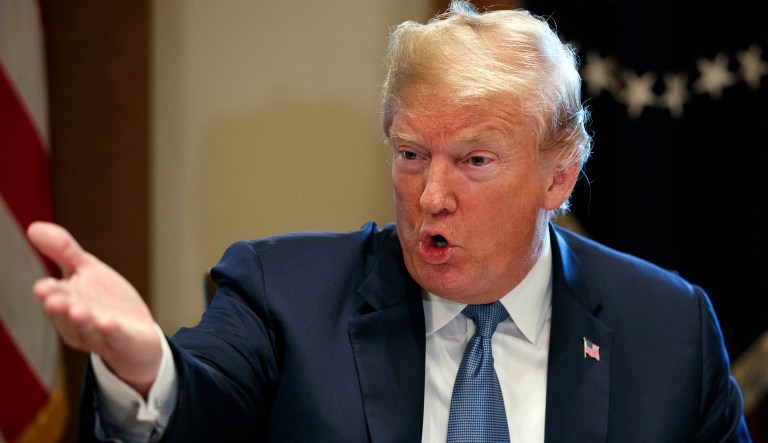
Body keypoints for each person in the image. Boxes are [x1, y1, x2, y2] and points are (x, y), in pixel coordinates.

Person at [27, 1, 751, 442]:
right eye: (410, 153)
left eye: (473, 160)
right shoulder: (283, 293)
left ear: (557, 175)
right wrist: (145, 369)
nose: (430, 194)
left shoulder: (669, 331)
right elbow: (204, 402)